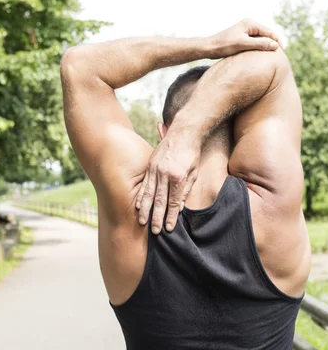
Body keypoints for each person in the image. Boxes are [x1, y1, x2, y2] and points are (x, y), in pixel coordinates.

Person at [60, 19, 311, 350]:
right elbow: (271, 60)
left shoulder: (131, 200)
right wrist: (192, 130)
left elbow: (79, 65)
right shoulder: (272, 201)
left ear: (163, 131)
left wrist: (207, 45)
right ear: (238, 131)